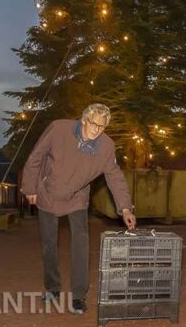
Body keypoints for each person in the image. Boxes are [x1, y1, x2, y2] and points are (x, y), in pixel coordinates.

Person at [22, 103, 136, 315]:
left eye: (102, 127)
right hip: (48, 192)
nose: (97, 130)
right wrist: (29, 187)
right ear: (83, 120)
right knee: (49, 243)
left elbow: (115, 177)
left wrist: (126, 208)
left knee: (81, 243)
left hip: (77, 197)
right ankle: (53, 288)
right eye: (93, 124)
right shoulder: (58, 129)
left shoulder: (106, 147)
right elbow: (36, 156)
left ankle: (78, 296)